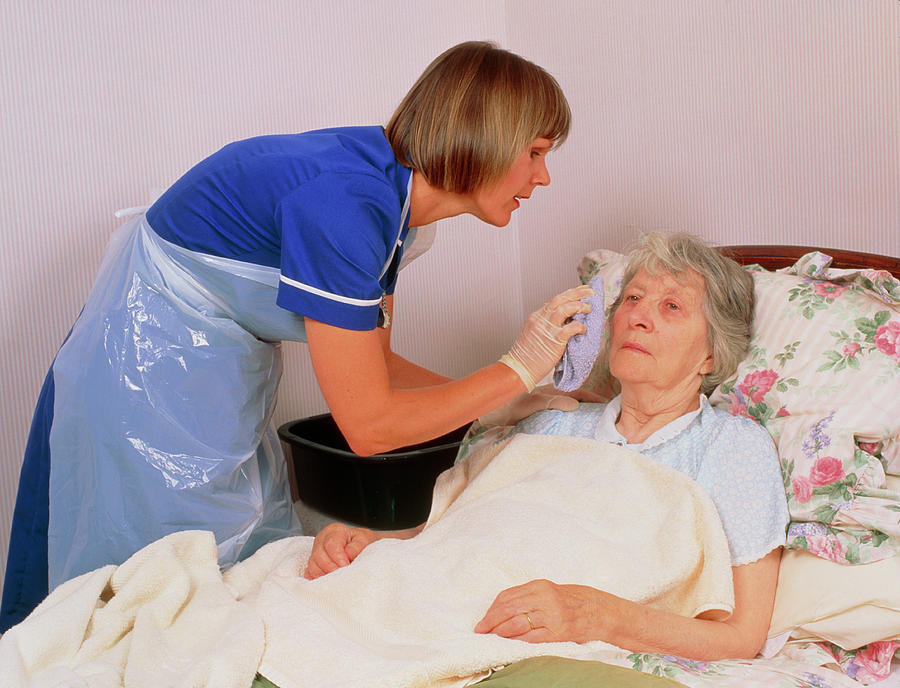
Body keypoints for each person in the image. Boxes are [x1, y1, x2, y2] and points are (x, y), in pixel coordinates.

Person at [0, 41, 592, 631]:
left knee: (236, 557)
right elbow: (370, 427)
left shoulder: (391, 202)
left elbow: (376, 368)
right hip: (148, 370)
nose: (543, 177)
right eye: (535, 152)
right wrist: (516, 367)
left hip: (210, 361)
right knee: (147, 591)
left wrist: (514, 399)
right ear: (481, 135)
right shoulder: (346, 208)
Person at [304, 232, 791, 661]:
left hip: (519, 640)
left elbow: (742, 636)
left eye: (671, 307)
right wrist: (369, 541)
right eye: (633, 299)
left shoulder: (732, 448)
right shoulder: (551, 424)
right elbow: (455, 540)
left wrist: (598, 616)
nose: (639, 317)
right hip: (443, 606)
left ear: (711, 354)